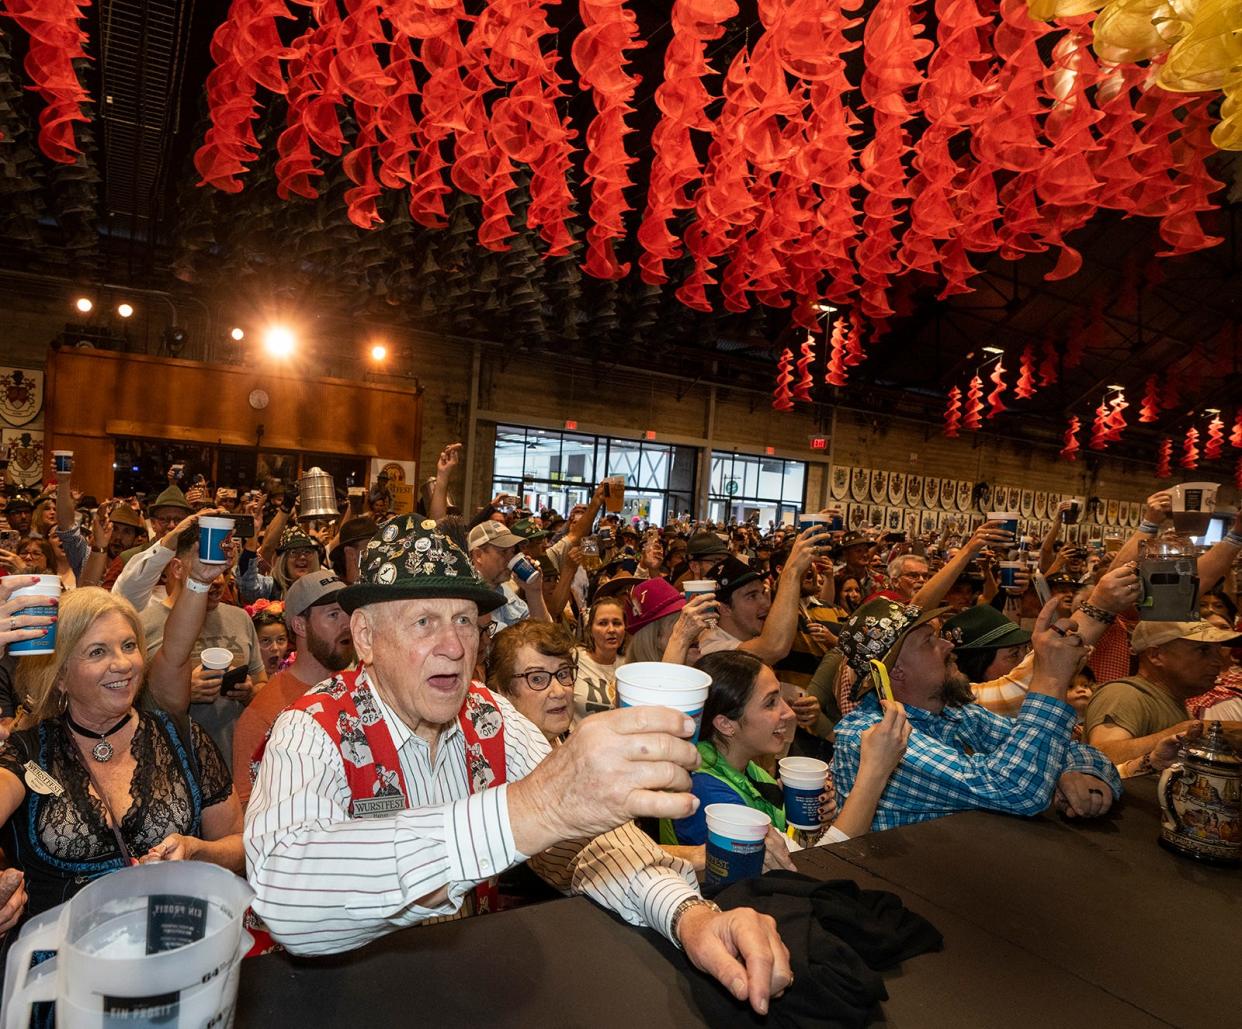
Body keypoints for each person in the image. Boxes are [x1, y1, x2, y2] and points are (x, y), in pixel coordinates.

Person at [245, 515, 792, 1015]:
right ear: (365, 636)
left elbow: (593, 843)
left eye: (464, 620)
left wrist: (689, 917)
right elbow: (285, 896)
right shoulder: (309, 728)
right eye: (423, 621)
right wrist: (529, 808)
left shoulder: (488, 715)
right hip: (338, 1003)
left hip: (458, 989)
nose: (454, 646)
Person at [0, 582, 242, 943]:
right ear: (61, 675)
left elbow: (239, 845)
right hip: (61, 975)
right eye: (97, 652)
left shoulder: (181, 736)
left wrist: (198, 852)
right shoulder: (26, 753)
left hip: (173, 957)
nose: (123, 664)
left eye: (129, 646)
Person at [831, 596, 1122, 830]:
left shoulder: (956, 714)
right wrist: (1051, 680)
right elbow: (1015, 790)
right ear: (895, 671)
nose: (948, 644)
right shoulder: (871, 736)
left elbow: (1072, 749)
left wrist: (1076, 772)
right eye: (929, 642)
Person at [669, 650, 910, 849]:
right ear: (725, 724)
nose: (789, 713)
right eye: (770, 703)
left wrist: (801, 816)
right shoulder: (709, 795)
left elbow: (792, 850)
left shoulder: (746, 771)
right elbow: (810, 870)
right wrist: (874, 772)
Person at [139, 526, 265, 758]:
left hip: (233, 762)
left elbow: (262, 685)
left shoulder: (239, 617)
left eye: (223, 570)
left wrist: (248, 692)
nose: (216, 579)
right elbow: (129, 702)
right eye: (206, 566)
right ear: (177, 568)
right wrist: (179, 692)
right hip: (170, 763)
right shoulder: (143, 624)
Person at [232, 572, 355, 806]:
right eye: (333, 614)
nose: (346, 623)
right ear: (300, 625)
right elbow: (247, 804)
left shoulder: (359, 688)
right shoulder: (265, 712)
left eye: (348, 612)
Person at [1083, 620, 1242, 763]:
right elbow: (1101, 756)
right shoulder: (1124, 694)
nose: (1218, 662)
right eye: (1203, 650)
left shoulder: (1173, 702)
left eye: (1218, 651)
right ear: (1155, 655)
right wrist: (1187, 731)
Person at [468, 519, 551, 629]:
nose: (510, 558)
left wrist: (534, 592)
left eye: (512, 552)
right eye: (503, 552)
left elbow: (544, 635)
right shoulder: (466, 598)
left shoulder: (505, 592)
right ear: (478, 555)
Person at [573, 596, 624, 720]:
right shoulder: (574, 658)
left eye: (617, 623)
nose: (611, 629)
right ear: (590, 629)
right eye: (603, 623)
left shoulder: (631, 664)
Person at [248, 600, 290, 677]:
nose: (275, 648)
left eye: (281, 639)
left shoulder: (293, 674)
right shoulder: (244, 682)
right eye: (265, 640)